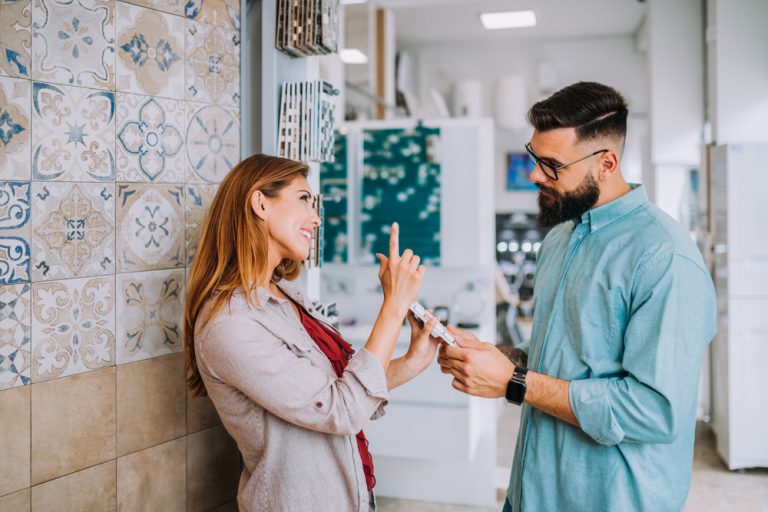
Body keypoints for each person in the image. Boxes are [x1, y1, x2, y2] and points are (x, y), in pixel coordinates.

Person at [437, 82, 717, 512]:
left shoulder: (664, 257)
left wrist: (514, 384)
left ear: (606, 162)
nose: (534, 175)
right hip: (532, 492)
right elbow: (566, 352)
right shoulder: (561, 238)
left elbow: (656, 411)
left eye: (551, 165)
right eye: (534, 158)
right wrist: (501, 358)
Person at [183, 154, 441, 512]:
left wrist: (410, 363)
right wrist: (393, 306)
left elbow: (338, 390)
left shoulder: (286, 295)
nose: (316, 218)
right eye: (304, 198)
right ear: (260, 203)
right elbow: (343, 410)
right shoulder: (230, 325)